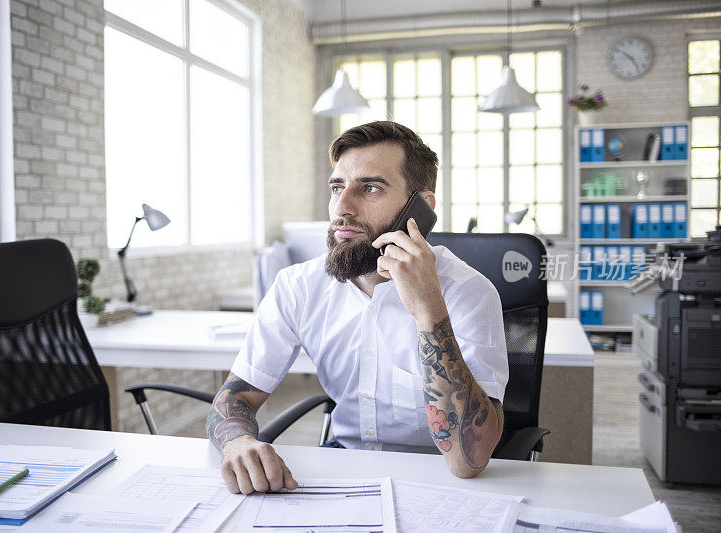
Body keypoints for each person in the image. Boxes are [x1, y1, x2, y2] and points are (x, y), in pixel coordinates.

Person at [206, 121, 508, 494]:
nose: (343, 207)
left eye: (370, 188)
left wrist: (429, 310)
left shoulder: (468, 292)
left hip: (438, 481)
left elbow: (467, 461)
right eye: (337, 187)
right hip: (341, 471)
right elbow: (234, 396)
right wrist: (238, 443)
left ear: (422, 208)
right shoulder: (297, 286)